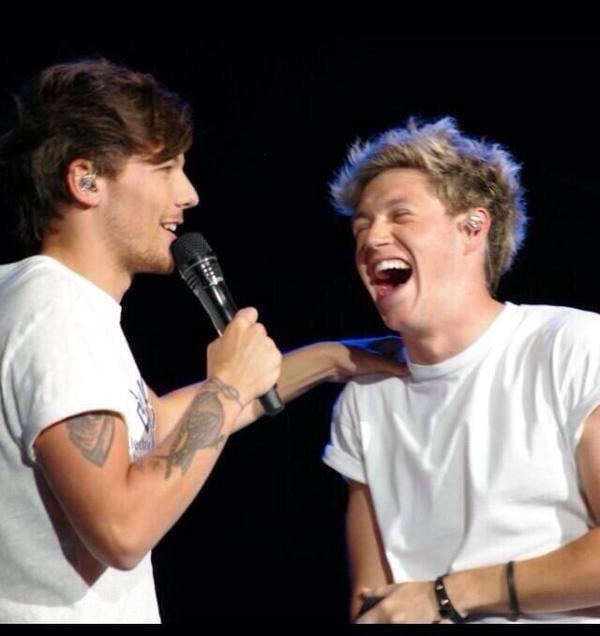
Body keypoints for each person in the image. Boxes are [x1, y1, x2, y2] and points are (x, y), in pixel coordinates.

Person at [0, 58, 406, 624]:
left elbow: (157, 425)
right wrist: (226, 386)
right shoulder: (58, 315)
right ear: (86, 180)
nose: (188, 193)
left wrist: (331, 360)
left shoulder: (45, 302)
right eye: (165, 167)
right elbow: (121, 529)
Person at [323, 116, 600, 624]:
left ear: (473, 228)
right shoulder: (364, 399)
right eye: (362, 225)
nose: (372, 237)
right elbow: (373, 602)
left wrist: (449, 593)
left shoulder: (572, 346)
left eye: (400, 215)